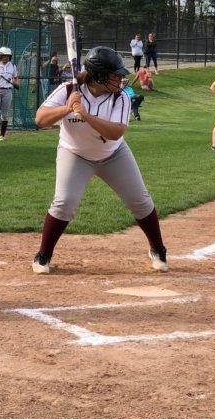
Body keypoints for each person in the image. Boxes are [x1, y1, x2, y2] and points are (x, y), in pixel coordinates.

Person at [32, 46, 168, 274]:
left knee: (139, 200)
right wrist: (67, 108)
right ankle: (43, 255)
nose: (121, 79)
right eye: (115, 75)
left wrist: (86, 115)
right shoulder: (68, 90)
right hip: (74, 153)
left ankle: (158, 248)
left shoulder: (120, 97)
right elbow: (40, 119)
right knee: (64, 202)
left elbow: (116, 132)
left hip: (113, 154)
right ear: (99, 75)